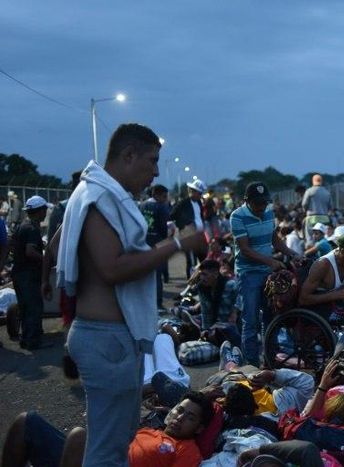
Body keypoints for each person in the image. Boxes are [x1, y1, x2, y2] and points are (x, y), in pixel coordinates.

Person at [56, 123, 205, 466]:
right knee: (108, 452)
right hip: (105, 338)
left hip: (106, 336)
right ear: (128, 155)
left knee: (116, 442)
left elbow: (57, 246)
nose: (155, 172)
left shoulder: (90, 193)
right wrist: (177, 244)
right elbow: (112, 267)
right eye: (152, 161)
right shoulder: (102, 196)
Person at [1, 392, 213, 467]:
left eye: (190, 417)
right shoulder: (150, 430)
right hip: (96, 459)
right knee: (26, 422)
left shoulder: (187, 450)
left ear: (198, 428)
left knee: (78, 436)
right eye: (179, 410)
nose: (179, 418)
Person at [231, 181, 300, 366]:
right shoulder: (237, 216)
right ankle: (251, 364)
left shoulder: (269, 212)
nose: (262, 207)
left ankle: (270, 359)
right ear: (247, 201)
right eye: (258, 204)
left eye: (264, 203)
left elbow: (274, 240)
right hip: (248, 273)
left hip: (267, 273)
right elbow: (245, 249)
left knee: (272, 318)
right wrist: (270, 261)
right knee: (251, 320)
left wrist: (293, 254)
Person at [11, 195, 49, 349]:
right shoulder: (32, 229)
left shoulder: (21, 226)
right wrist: (46, 260)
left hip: (18, 272)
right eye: (44, 210)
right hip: (28, 274)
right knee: (34, 307)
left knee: (25, 308)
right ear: (39, 211)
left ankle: (25, 339)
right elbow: (30, 252)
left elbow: (12, 245)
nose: (46, 212)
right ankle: (33, 341)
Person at [141, 184, 171, 309]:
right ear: (156, 194)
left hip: (143, 243)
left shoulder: (141, 205)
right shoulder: (161, 207)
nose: (165, 199)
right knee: (157, 275)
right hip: (158, 243)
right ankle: (158, 302)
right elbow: (164, 228)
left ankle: (145, 302)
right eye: (164, 196)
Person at [170, 178, 207, 279]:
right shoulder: (183, 203)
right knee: (191, 261)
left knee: (204, 259)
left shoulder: (199, 203)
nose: (200, 195)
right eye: (199, 193)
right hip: (189, 236)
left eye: (201, 193)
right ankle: (191, 284)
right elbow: (172, 215)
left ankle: (201, 281)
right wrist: (184, 226)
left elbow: (199, 217)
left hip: (200, 236)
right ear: (192, 191)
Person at [302, 174, 332, 247]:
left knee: (310, 238)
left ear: (313, 181)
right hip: (324, 218)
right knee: (322, 237)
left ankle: (310, 253)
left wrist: (305, 211)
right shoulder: (327, 192)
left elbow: (304, 204)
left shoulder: (309, 191)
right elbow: (330, 206)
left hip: (312, 218)